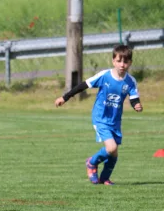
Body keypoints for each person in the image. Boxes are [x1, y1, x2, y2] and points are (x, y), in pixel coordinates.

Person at [54, 44, 143, 185]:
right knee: (111, 147)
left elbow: (133, 97)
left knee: (114, 153)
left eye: (125, 61)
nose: (122, 64)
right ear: (113, 61)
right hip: (100, 118)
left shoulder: (130, 81)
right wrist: (65, 97)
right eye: (119, 61)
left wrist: (136, 105)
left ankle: (105, 178)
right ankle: (91, 162)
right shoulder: (104, 76)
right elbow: (83, 85)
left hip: (115, 121)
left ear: (130, 63)